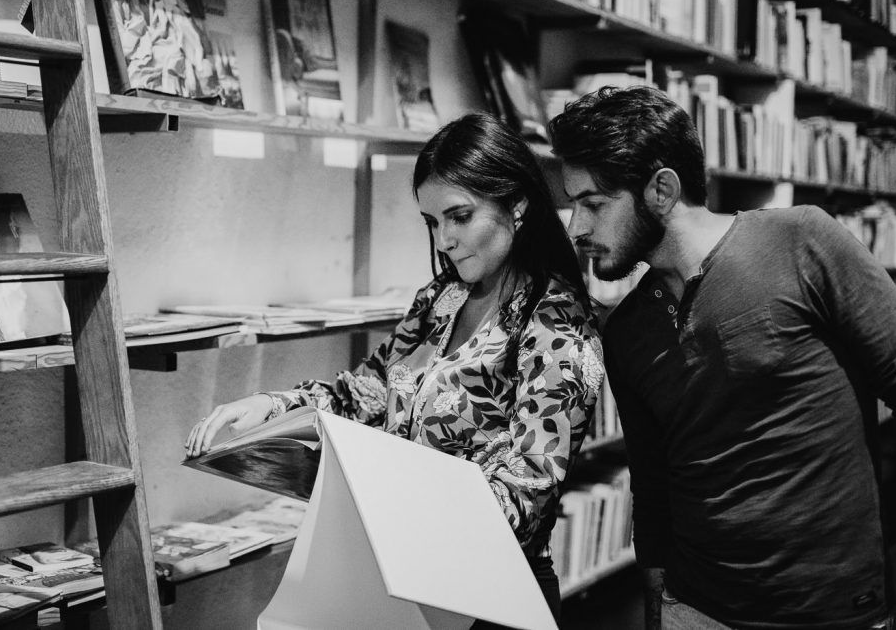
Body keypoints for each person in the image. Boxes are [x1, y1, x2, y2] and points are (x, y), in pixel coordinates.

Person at [186, 112, 604, 625]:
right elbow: (365, 392)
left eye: (459, 216)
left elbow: (529, 490)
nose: (444, 239)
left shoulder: (556, 322)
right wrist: (270, 408)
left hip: (489, 596)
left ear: (516, 204)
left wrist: (404, 509)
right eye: (432, 222)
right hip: (399, 577)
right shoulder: (440, 301)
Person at [549, 84, 896, 630]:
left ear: (661, 189)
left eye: (593, 204)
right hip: (695, 609)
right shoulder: (626, 331)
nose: (579, 229)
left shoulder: (802, 241)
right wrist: (660, 612)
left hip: (829, 611)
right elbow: (652, 484)